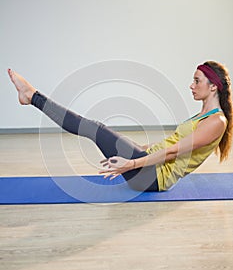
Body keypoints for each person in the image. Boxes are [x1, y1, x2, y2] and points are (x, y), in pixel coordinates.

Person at [7, 61, 232, 192]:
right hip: (149, 165)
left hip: (153, 179)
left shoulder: (216, 121)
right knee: (96, 128)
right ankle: (31, 97)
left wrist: (131, 163)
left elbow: (174, 151)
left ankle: (32, 96)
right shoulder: (204, 115)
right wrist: (138, 146)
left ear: (213, 87)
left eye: (197, 81)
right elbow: (172, 141)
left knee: (93, 128)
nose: (191, 86)